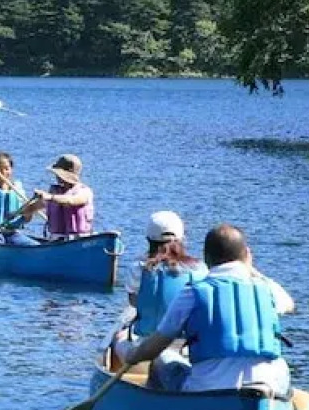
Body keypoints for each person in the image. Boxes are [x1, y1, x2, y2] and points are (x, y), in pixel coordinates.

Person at [115, 223, 293, 396]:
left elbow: (155, 347)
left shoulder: (193, 293)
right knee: (281, 367)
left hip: (206, 388)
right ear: (247, 255)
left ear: (206, 259)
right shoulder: (269, 289)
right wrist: (250, 269)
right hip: (266, 385)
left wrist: (131, 355)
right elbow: (289, 304)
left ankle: (155, 409)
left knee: (161, 360)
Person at [107, 211, 208, 388]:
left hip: (145, 344)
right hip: (185, 348)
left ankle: (120, 383)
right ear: (181, 239)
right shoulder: (200, 269)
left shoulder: (138, 268)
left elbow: (134, 302)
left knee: (118, 336)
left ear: (149, 240)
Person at [18, 153, 94, 241]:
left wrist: (49, 197)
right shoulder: (55, 192)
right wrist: (22, 211)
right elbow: (34, 207)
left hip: (79, 239)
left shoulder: (84, 191)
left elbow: (71, 200)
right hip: (56, 240)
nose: (56, 176)